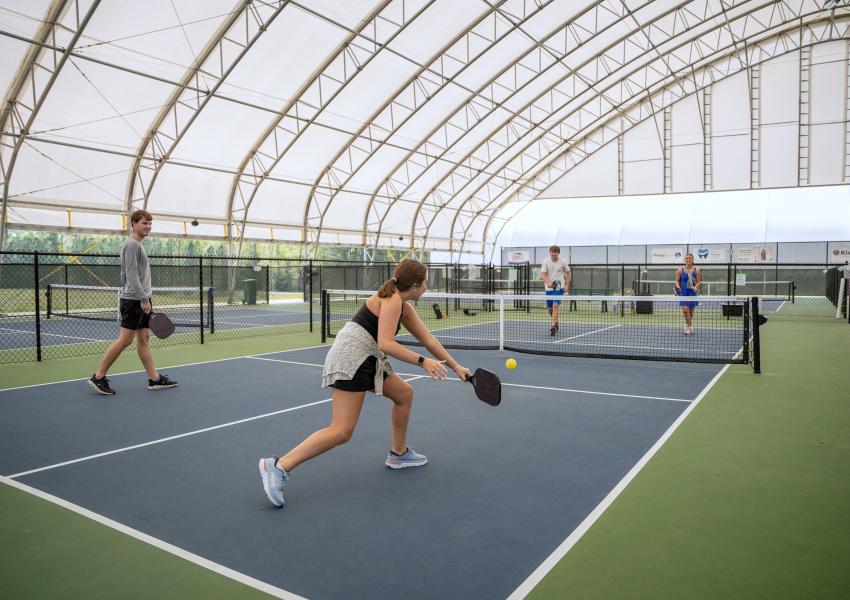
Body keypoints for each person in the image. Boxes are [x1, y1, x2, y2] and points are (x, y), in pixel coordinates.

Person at [258, 258, 471, 508]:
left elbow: (429, 340)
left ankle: (399, 454)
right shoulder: (392, 301)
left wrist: (456, 367)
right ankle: (278, 466)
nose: (427, 287)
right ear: (415, 284)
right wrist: (423, 362)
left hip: (369, 357)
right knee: (341, 430)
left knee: (404, 394)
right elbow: (386, 343)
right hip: (352, 356)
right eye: (425, 283)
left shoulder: (403, 305)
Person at [88, 210, 177, 395]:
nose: (148, 226)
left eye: (150, 223)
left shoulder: (137, 245)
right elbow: (130, 275)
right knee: (125, 340)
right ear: (134, 224)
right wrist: (143, 298)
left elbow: (125, 274)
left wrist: (145, 297)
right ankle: (98, 377)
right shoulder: (132, 245)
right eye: (145, 223)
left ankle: (154, 379)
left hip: (140, 298)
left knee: (143, 339)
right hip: (135, 300)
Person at [540, 245, 571, 335]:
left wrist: (566, 285)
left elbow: (568, 273)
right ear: (550, 253)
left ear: (558, 253)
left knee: (555, 305)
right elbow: (543, 274)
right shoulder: (546, 261)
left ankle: (553, 326)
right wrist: (548, 282)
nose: (554, 254)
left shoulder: (563, 261)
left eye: (556, 252)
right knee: (550, 309)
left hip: (559, 287)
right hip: (549, 289)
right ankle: (556, 322)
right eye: (552, 252)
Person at [674, 253, 701, 335]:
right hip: (683, 293)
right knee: (685, 310)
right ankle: (690, 327)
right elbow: (677, 281)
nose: (688, 260)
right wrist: (678, 286)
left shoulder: (697, 270)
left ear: (693, 260)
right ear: (684, 260)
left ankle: (687, 325)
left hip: (692, 293)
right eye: (687, 258)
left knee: (691, 312)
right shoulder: (680, 270)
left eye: (690, 258)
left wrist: (696, 287)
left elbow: (698, 282)